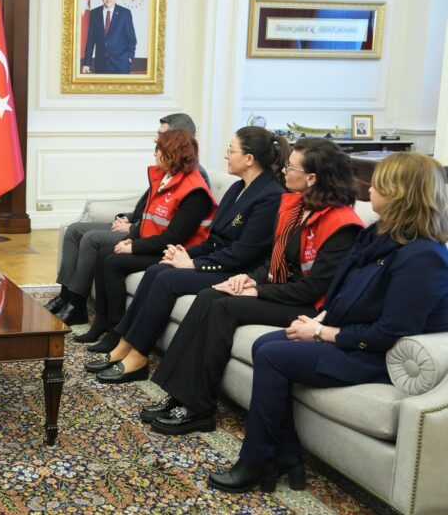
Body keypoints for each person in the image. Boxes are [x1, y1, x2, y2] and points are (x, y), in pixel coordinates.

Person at [209, 152, 448, 494]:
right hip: (347, 334)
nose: (369, 189)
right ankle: (287, 454)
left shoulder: (424, 257)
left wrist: (321, 332)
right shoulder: (378, 234)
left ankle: (258, 461)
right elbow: (342, 290)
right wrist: (318, 319)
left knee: (273, 355)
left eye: (378, 185)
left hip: (375, 355)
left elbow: (389, 333)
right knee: (265, 344)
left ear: (399, 194)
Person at [145, 138, 363, 435]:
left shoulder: (342, 225)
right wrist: (251, 278)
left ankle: (199, 407)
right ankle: (179, 394)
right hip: (284, 291)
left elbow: (312, 289)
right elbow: (276, 259)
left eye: (291, 167)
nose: (284, 171)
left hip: (309, 308)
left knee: (224, 307)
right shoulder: (298, 206)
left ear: (312, 178)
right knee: (210, 295)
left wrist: (257, 291)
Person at [85, 126, 288, 384]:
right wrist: (181, 254)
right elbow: (214, 241)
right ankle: (124, 344)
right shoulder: (238, 188)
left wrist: (193, 264)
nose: (226, 155)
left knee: (166, 279)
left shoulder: (271, 196)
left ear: (249, 159)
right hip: (219, 259)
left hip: (236, 271)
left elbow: (243, 253)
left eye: (231, 150)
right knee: (157, 269)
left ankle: (138, 357)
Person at [48, 113, 209, 326]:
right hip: (138, 226)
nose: (155, 139)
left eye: (161, 135)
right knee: (75, 230)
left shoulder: (193, 176)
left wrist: (132, 228)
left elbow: (173, 224)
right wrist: (126, 218)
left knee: (92, 239)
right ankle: (65, 296)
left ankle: (76, 304)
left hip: (148, 236)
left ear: (179, 137)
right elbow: (150, 208)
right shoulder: (168, 168)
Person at [79, 130, 217, 353]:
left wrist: (134, 247)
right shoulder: (164, 179)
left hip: (176, 253)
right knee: (104, 253)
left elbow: (173, 238)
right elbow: (147, 219)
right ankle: (102, 321)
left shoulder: (195, 191)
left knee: (114, 262)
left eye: (159, 149)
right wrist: (130, 240)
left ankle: (116, 331)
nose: (154, 154)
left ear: (172, 153)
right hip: (155, 245)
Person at [80, 0, 137, 75]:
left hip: (121, 65)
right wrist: (87, 63)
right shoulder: (94, 13)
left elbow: (131, 39)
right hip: (101, 65)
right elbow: (90, 41)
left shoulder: (125, 13)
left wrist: (129, 58)